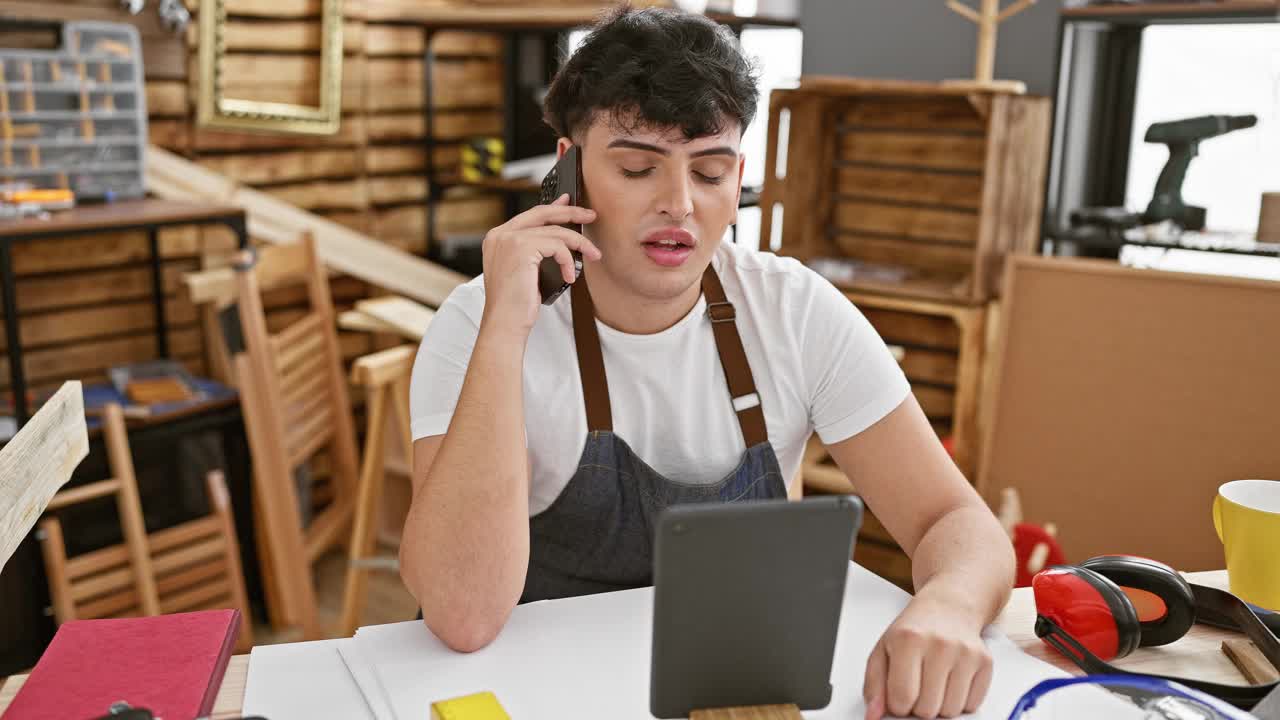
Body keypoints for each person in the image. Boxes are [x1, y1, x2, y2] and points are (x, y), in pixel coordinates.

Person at [401, 6, 1015, 719]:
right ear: (566, 171)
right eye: (637, 167)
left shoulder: (794, 311)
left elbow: (957, 522)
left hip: (729, 696)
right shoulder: (477, 322)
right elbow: (460, 614)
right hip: (533, 697)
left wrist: (947, 605)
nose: (679, 204)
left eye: (711, 171)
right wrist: (508, 330)